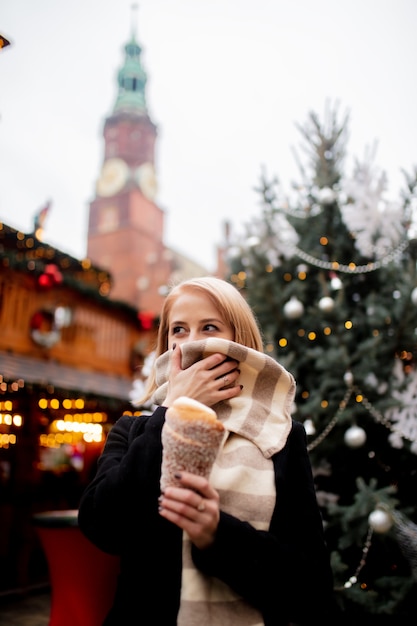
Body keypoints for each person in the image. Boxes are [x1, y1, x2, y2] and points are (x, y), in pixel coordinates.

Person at [78, 276, 336, 625]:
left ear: (238, 341)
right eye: (179, 330)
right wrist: (173, 411)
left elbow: (310, 583)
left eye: (209, 327)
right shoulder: (134, 430)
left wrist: (218, 535)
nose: (192, 342)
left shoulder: (278, 437)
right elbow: (102, 526)